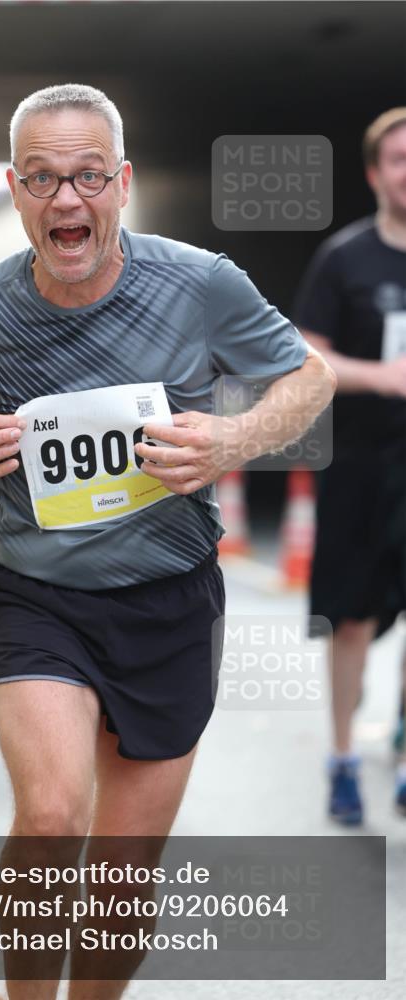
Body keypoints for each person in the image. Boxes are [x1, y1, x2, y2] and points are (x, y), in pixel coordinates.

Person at [0, 84, 335, 1000]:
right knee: (54, 817)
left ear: (124, 183)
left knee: (120, 872)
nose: (68, 200)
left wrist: (230, 439)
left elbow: (309, 377)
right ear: (15, 188)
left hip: (169, 596)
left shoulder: (199, 282)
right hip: (37, 595)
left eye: (88, 177)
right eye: (44, 179)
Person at [293, 107, 406, 824]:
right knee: (353, 624)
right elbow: (307, 354)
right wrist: (381, 377)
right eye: (397, 159)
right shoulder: (344, 257)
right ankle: (341, 757)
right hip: (359, 467)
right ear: (373, 173)